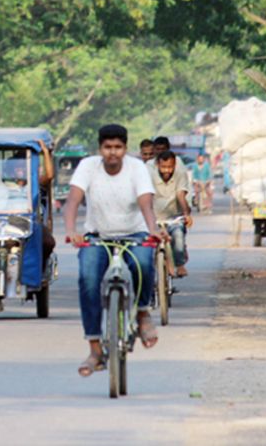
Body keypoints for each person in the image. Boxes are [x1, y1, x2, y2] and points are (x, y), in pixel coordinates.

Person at [64, 124, 167, 377]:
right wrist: (70, 230)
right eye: (107, 147)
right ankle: (95, 348)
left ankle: (143, 313)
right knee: (88, 278)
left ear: (125, 148)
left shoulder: (137, 168)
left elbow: (146, 201)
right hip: (97, 237)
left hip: (134, 234)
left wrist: (152, 228)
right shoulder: (88, 166)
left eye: (118, 147)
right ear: (100, 149)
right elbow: (73, 200)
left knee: (144, 263)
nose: (113, 153)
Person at [152, 150, 193, 277]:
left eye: (170, 167)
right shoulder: (149, 176)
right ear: (158, 165)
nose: (167, 171)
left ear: (175, 165)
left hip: (174, 217)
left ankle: (180, 265)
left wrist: (186, 213)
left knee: (178, 236)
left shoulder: (180, 174)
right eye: (163, 167)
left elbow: (181, 195)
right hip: (154, 218)